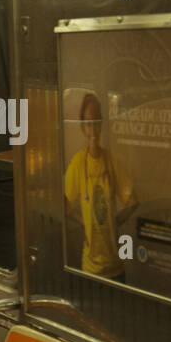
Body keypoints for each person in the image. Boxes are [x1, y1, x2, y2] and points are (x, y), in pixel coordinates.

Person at [64, 91, 138, 280]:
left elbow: (132, 202)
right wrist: (84, 223)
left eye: (96, 122)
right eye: (89, 124)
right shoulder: (78, 163)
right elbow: (64, 205)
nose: (93, 130)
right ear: (83, 127)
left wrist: (115, 221)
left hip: (115, 267)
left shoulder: (112, 162)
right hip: (90, 269)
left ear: (102, 124)